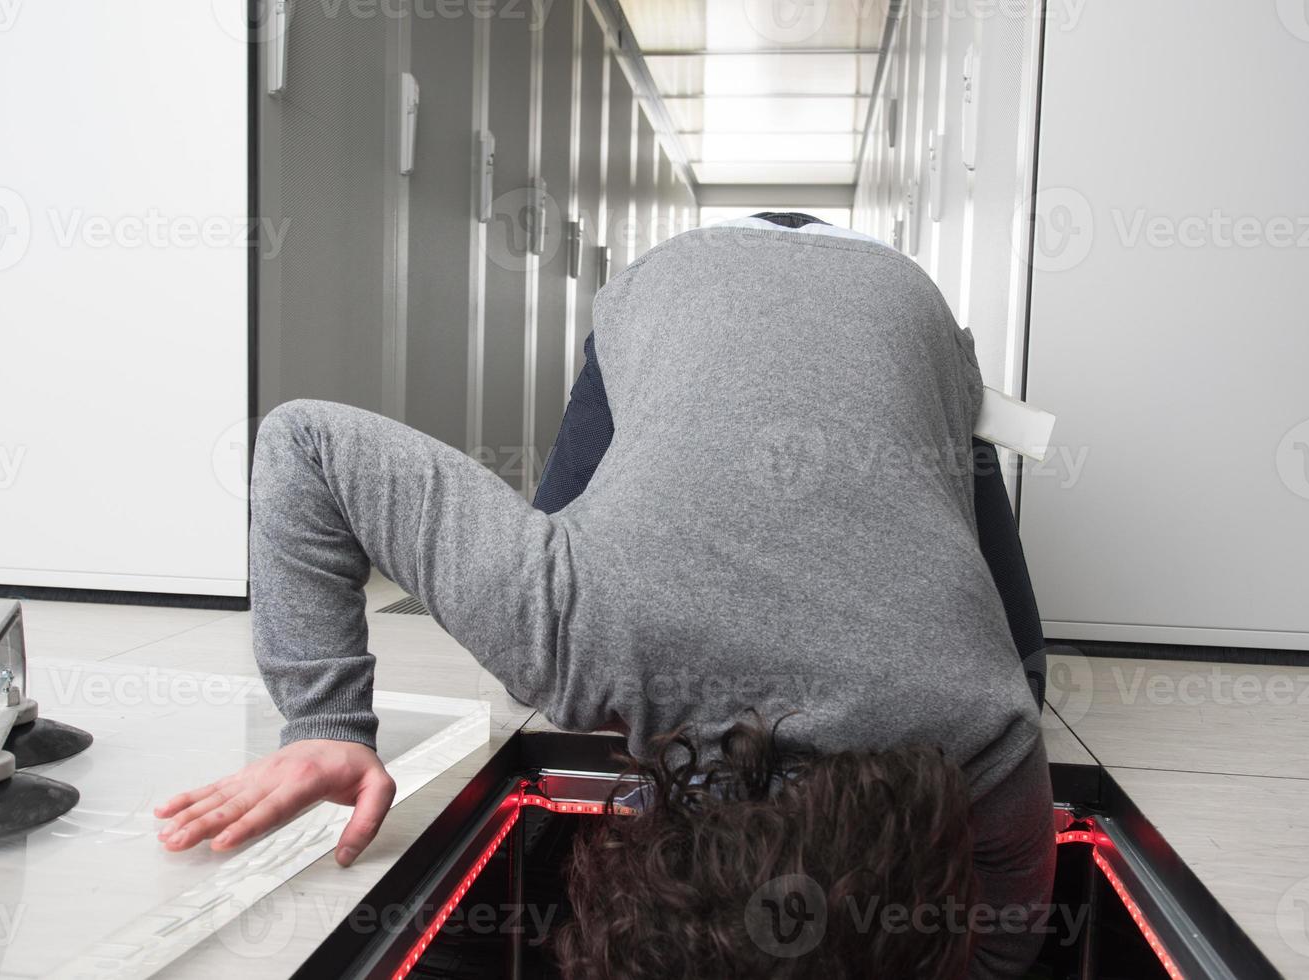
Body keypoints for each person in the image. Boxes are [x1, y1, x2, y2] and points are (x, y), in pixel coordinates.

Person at [155, 213, 1055, 978]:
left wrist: (325, 718)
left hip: (881, 303)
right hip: (776, 281)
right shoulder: (576, 629)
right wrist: (325, 729)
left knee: (1018, 671)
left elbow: (1005, 938)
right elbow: (305, 444)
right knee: (535, 671)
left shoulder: (984, 729)